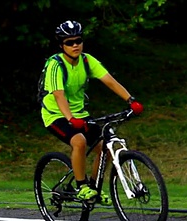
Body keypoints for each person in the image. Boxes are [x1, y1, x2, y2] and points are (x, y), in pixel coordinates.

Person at [40, 20, 144, 202]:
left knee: (105, 147)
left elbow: (110, 81)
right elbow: (59, 96)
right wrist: (70, 118)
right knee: (79, 141)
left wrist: (130, 100)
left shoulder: (87, 61)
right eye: (69, 42)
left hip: (80, 114)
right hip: (55, 114)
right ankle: (82, 187)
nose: (75, 45)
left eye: (78, 40)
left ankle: (94, 188)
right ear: (61, 45)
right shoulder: (55, 65)